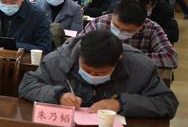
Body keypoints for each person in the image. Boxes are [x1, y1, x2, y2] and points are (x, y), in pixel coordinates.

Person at [18, 30, 178, 118]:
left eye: (101, 72)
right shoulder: (58, 60)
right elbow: (27, 85)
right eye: (87, 70)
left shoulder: (140, 68)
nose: (93, 75)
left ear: (118, 59)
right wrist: (58, 96)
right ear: (79, 55)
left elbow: (167, 103)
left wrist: (121, 104)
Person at [81, 0, 178, 69]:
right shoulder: (98, 23)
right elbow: (77, 47)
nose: (119, 32)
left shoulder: (152, 28)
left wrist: (128, 57)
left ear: (141, 26)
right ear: (113, 15)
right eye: (116, 26)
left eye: (127, 30)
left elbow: (171, 58)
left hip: (136, 75)